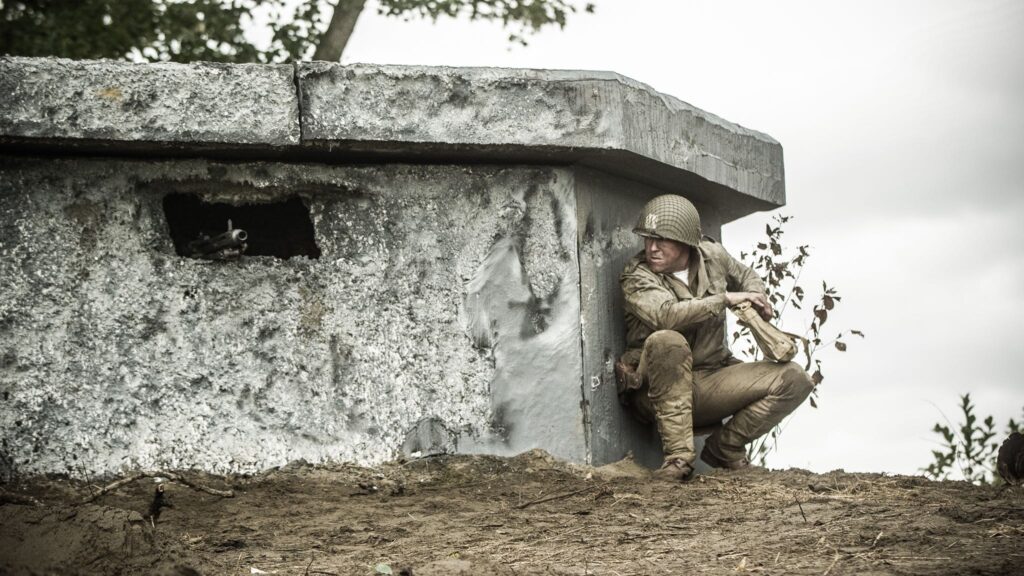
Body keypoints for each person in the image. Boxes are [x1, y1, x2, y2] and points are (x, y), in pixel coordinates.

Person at [616, 194, 814, 482]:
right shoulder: (637, 276)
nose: (652, 248)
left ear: (686, 242)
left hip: (710, 380)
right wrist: (724, 299)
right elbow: (666, 316)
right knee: (666, 340)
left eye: (662, 240)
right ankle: (678, 460)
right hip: (656, 393)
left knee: (795, 379)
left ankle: (725, 447)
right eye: (647, 239)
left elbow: (746, 276)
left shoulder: (713, 256)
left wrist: (757, 299)